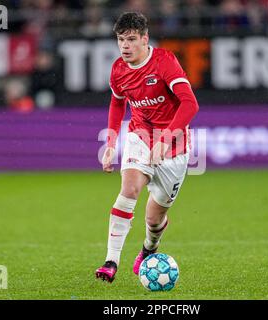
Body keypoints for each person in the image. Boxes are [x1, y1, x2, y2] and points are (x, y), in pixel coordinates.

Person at [95, 12, 199, 283]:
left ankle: (149, 248)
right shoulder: (118, 69)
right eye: (120, 40)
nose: (125, 46)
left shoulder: (165, 62)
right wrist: (111, 143)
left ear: (145, 39)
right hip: (139, 137)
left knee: (154, 218)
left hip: (175, 148)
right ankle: (111, 261)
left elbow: (190, 104)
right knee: (128, 190)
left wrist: (165, 140)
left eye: (131, 39)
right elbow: (118, 103)